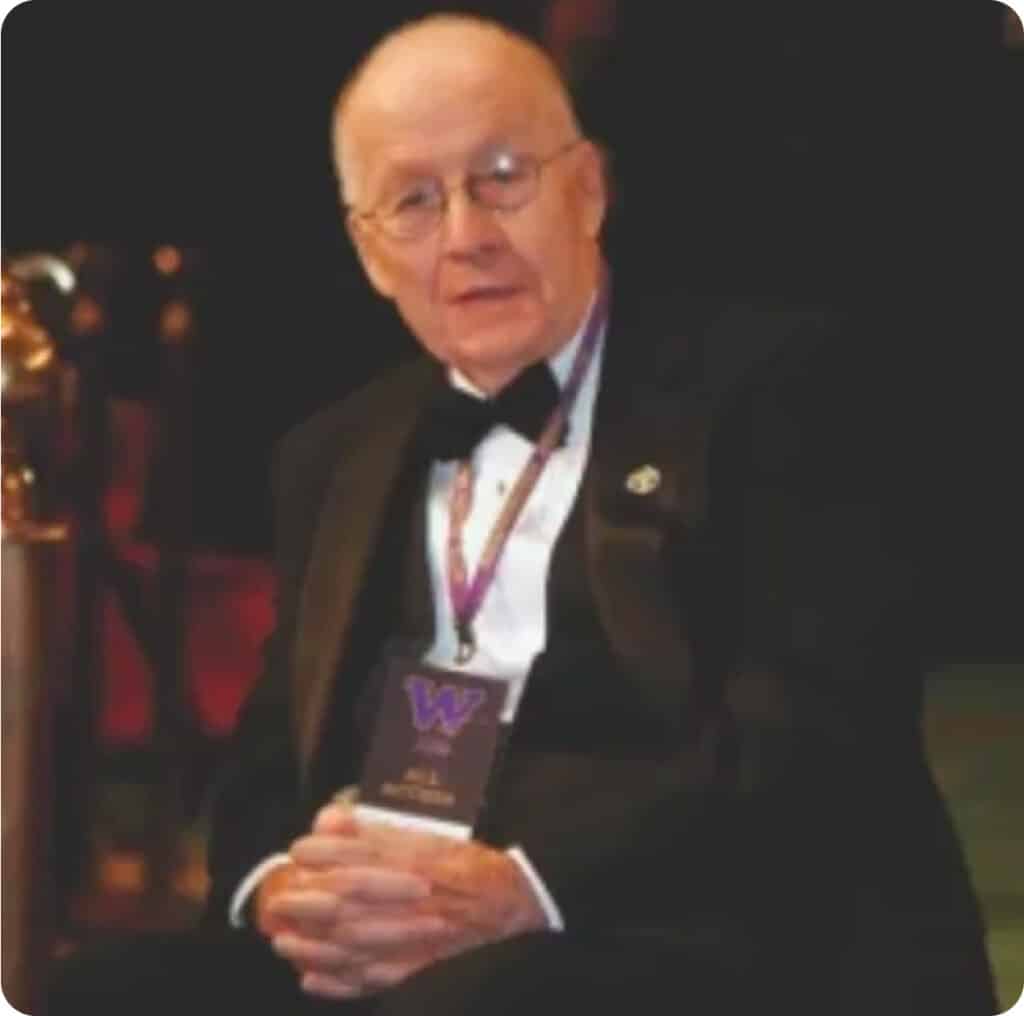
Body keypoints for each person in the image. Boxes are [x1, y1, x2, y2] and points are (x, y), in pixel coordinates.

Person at [49, 12, 1002, 1015]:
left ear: (587, 189)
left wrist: (525, 886)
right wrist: (284, 891)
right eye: (413, 200)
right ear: (369, 253)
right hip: (392, 924)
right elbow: (262, 770)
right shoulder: (332, 453)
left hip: (684, 925)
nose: (467, 236)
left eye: (502, 176)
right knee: (104, 990)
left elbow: (810, 738)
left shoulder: (776, 389)